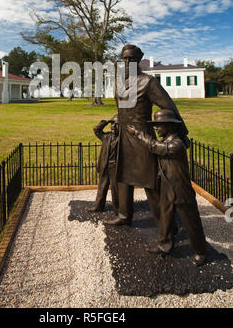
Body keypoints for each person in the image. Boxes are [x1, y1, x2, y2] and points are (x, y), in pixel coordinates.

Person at [106, 44, 190, 227]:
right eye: (125, 59)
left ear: (138, 61)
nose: (127, 62)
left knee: (150, 182)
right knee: (122, 177)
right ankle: (124, 215)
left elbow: (169, 107)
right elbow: (120, 109)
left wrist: (181, 132)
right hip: (123, 137)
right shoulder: (118, 82)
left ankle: (165, 226)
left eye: (132, 59)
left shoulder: (148, 82)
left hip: (142, 137)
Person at [127, 109, 207, 266]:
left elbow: (154, 146)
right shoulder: (167, 141)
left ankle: (200, 251)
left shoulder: (175, 144)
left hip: (180, 189)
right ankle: (165, 244)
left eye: (159, 126)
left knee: (191, 222)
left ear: (170, 126)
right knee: (165, 217)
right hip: (167, 186)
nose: (156, 129)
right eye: (155, 126)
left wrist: (138, 133)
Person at [88, 115, 119, 213]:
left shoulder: (123, 139)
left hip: (115, 167)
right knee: (102, 187)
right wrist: (106, 122)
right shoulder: (106, 136)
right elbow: (96, 129)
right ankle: (98, 206)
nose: (113, 126)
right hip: (105, 165)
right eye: (112, 124)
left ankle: (118, 209)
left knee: (116, 189)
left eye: (116, 124)